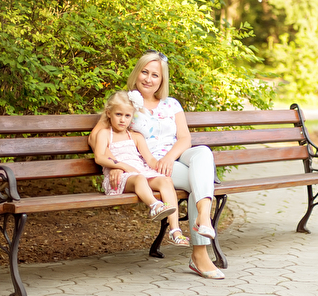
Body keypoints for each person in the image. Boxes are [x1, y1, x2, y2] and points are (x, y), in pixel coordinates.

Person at [89, 51, 224, 279]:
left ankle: (203, 217)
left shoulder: (171, 104)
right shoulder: (126, 102)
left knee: (202, 152)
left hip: (174, 159)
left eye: (155, 75)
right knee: (198, 185)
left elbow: (185, 138)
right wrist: (116, 166)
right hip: (149, 166)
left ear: (162, 80)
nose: (148, 79)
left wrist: (169, 158)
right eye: (145, 72)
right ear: (137, 73)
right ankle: (200, 255)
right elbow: (96, 138)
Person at [92, 91, 180, 225]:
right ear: (109, 113)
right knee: (139, 178)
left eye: (127, 115)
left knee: (165, 181)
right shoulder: (104, 134)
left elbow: (150, 160)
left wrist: (160, 166)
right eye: (118, 114)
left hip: (139, 173)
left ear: (132, 116)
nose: (123, 120)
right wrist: (123, 166)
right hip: (119, 179)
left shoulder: (136, 137)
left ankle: (175, 230)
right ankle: (155, 206)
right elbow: (99, 157)